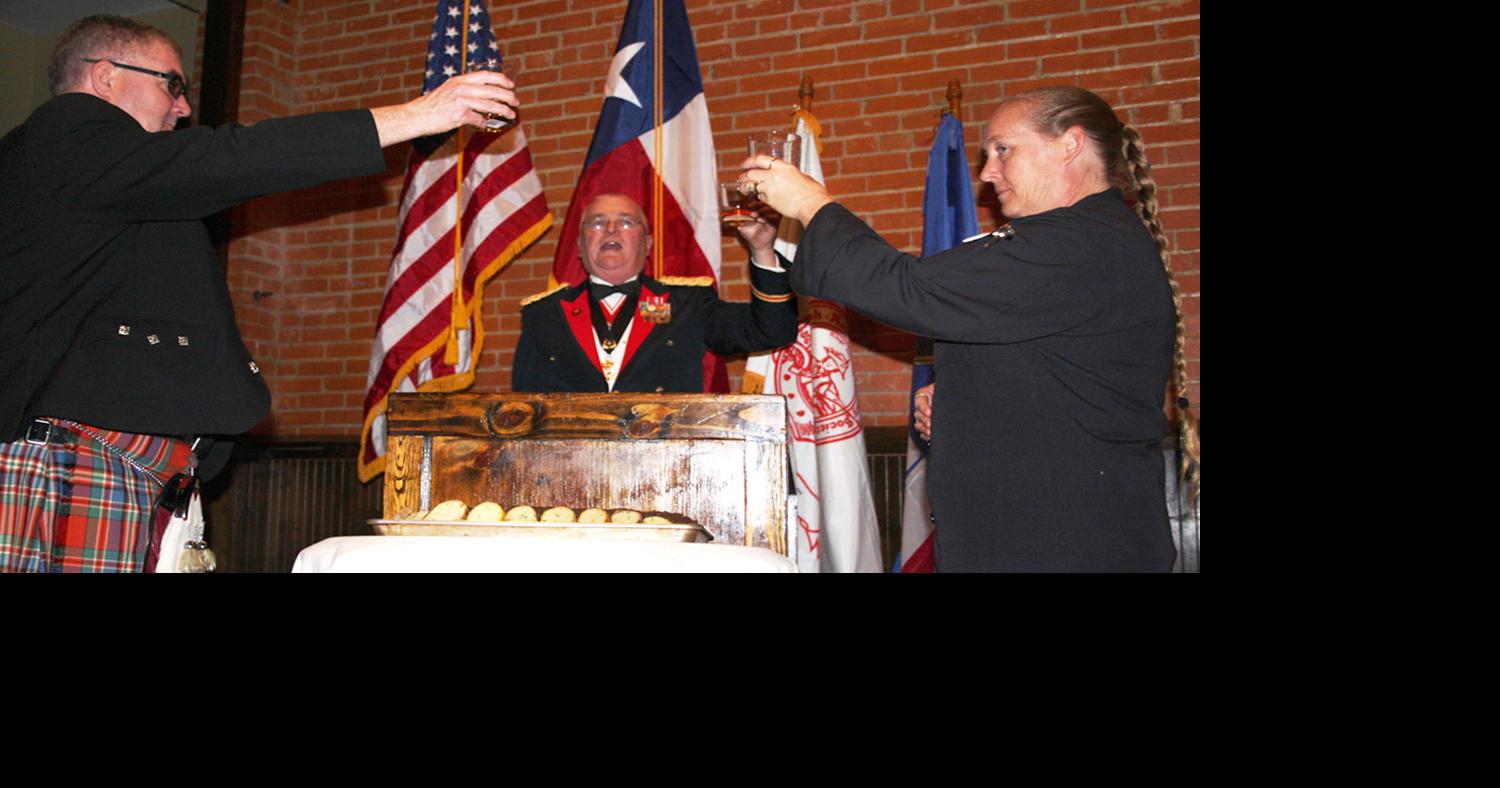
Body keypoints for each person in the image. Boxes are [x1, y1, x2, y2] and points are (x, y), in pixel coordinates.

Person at [0, 15, 519, 573]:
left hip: (128, 463)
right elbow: (227, 157)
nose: (183, 107)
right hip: (83, 460)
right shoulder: (66, 129)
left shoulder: (112, 181)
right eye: (172, 84)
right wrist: (417, 115)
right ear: (105, 77)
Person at [740, 85, 1200, 572]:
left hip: (1067, 545)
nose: (986, 173)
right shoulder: (1082, 240)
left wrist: (811, 203)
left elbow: (909, 289)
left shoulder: (1080, 242)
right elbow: (1057, 373)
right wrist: (966, 403)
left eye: (1003, 150)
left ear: (1071, 144)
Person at [511, 193, 797, 393]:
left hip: (664, 459)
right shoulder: (544, 314)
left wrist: (761, 249)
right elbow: (524, 406)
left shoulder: (688, 304)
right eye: (597, 223)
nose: (611, 229)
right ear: (579, 245)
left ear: (647, 244)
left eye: (626, 222)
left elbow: (771, 331)